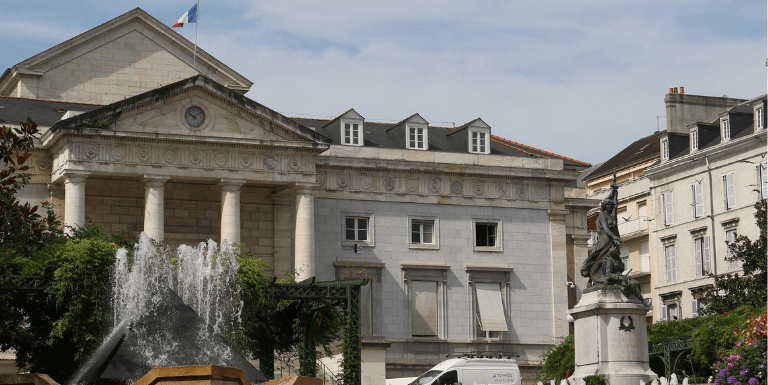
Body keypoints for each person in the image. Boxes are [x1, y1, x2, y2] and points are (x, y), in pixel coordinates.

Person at [581, 182, 623, 285]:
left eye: (610, 205)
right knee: (600, 257)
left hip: (612, 239)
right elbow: (605, 228)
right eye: (607, 204)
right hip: (605, 239)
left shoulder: (612, 215)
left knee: (612, 257)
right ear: (604, 205)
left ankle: (611, 274)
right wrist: (614, 237)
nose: (609, 206)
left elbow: (616, 205)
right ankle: (594, 275)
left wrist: (614, 191)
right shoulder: (602, 215)